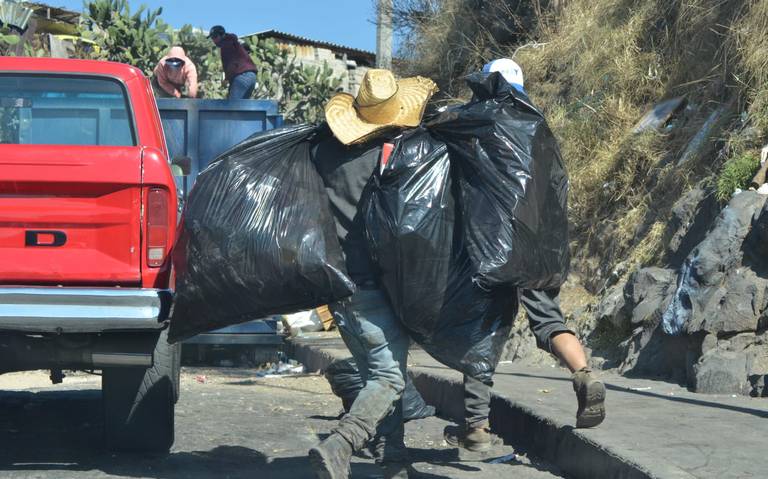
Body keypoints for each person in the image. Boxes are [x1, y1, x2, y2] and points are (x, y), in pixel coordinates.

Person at [443, 59, 606, 453]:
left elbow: (442, 138)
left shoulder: (478, 120)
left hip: (491, 249)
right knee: (549, 320)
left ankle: (477, 425)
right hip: (538, 249)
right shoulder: (538, 127)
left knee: (482, 331)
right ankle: (584, 375)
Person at [308, 69, 438, 479]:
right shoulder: (389, 158)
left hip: (335, 284)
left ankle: (392, 452)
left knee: (378, 371)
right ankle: (341, 444)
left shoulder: (323, 155)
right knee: (387, 378)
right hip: (370, 286)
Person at [208, 25, 257, 100]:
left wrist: (227, 80)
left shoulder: (226, 45)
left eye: (215, 37)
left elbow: (231, 64)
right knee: (242, 108)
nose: (213, 40)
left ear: (222, 35)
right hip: (252, 76)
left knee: (232, 107)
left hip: (242, 76)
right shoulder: (233, 42)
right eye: (212, 38)